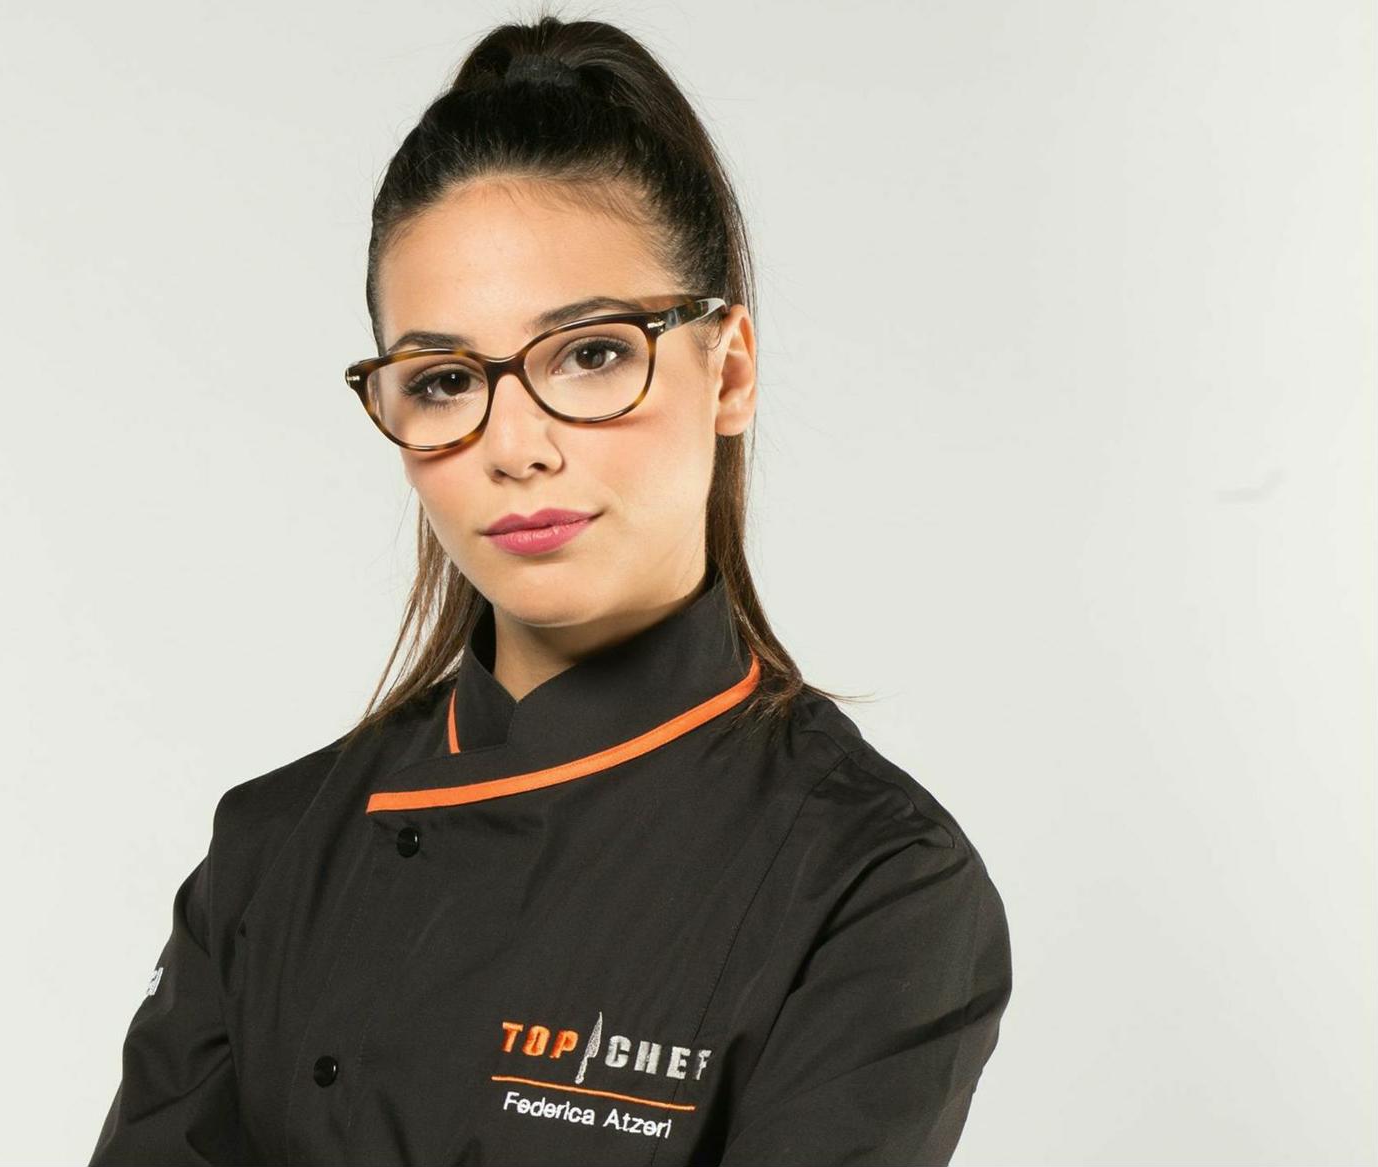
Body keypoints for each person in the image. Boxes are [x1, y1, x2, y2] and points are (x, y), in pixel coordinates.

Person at [87, 13, 1012, 1166]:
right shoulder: (272, 852)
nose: (514, 446)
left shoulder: (871, 884)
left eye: (591, 353)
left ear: (729, 368)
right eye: (443, 378)